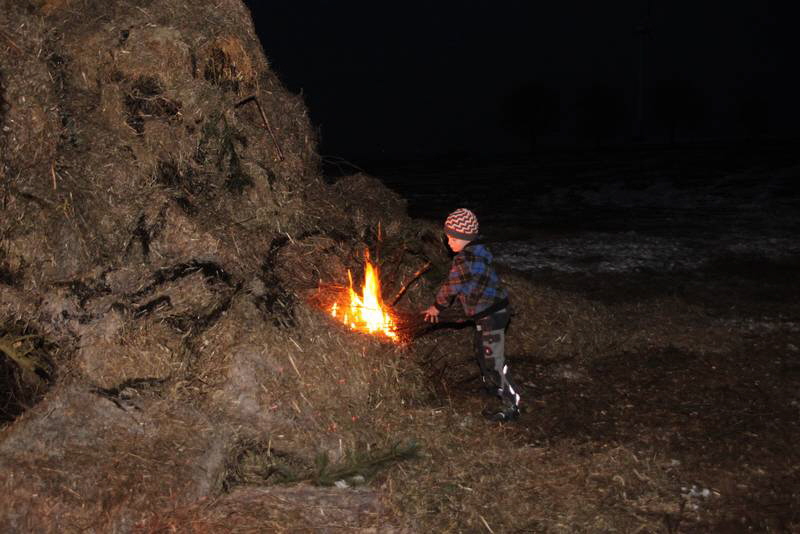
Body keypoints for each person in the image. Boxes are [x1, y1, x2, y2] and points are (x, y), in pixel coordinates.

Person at [423, 208, 521, 422]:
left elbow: (451, 287)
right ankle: (493, 388)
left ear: (465, 238)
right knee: (481, 350)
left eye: (452, 238)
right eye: (447, 237)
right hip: (489, 311)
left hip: (492, 314)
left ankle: (511, 403)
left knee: (493, 359)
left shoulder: (465, 261)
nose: (448, 242)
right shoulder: (477, 252)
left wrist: (437, 307)